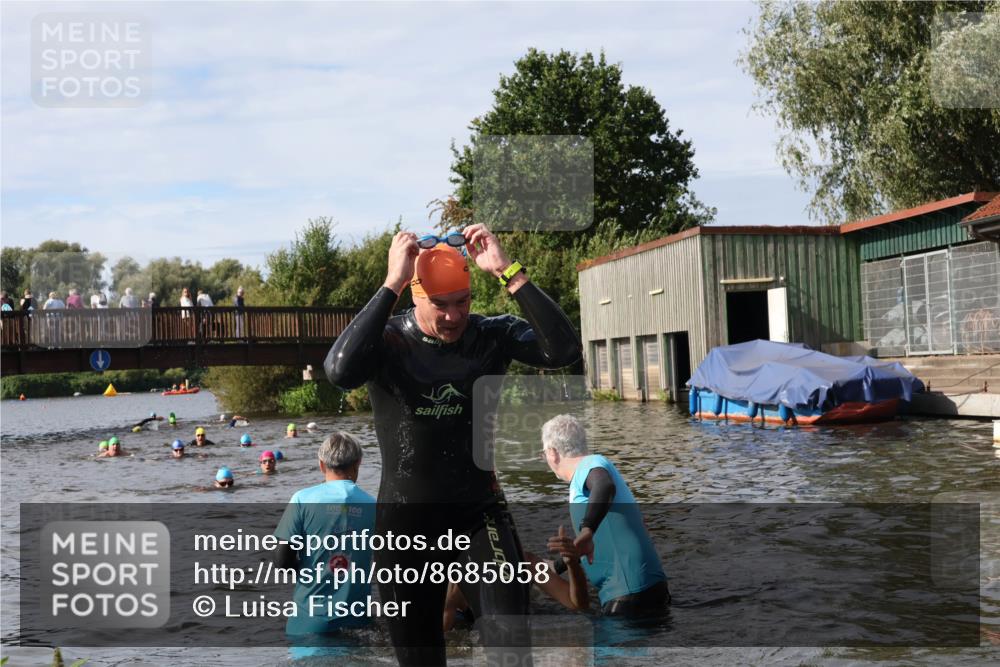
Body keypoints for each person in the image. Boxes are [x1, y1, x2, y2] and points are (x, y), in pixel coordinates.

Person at [324, 225, 581, 665]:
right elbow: (340, 371)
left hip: (479, 514)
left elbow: (563, 350)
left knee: (511, 648)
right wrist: (391, 281)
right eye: (439, 305)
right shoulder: (388, 340)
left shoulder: (491, 336)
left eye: (462, 302)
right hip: (405, 524)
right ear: (414, 297)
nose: (453, 316)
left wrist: (509, 272)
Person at [539, 414, 669, 617]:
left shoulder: (590, 464)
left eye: (543, 454)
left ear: (552, 453)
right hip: (645, 589)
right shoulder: (586, 480)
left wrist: (587, 529)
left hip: (626, 596)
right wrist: (556, 566)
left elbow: (603, 485)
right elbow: (600, 542)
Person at [273, 433, 376, 638]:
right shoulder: (374, 505)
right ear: (358, 463)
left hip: (309, 620)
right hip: (357, 621)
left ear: (321, 464)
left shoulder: (302, 499)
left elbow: (282, 561)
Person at [443, 524, 589, 632]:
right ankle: (556, 565)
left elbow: (577, 603)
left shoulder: (526, 562)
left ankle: (558, 565)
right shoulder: (456, 576)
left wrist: (572, 565)